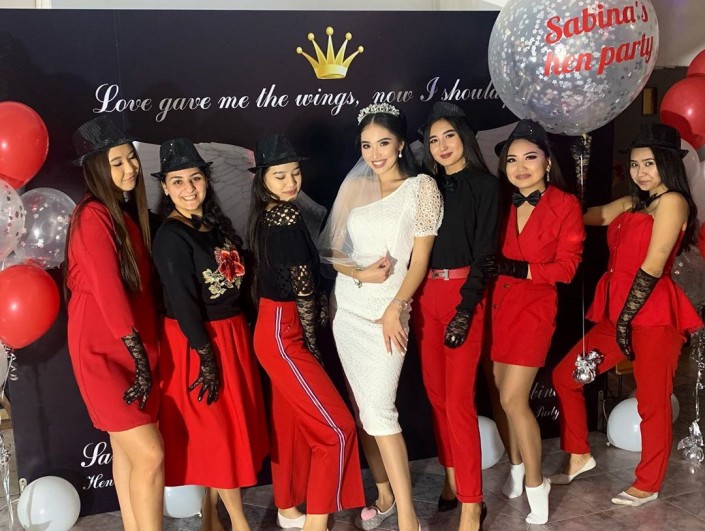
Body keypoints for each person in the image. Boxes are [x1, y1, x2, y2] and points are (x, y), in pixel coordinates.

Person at [551, 123, 703, 506]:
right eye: (635, 164)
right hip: (616, 314)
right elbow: (588, 216)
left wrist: (624, 322)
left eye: (649, 163)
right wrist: (555, 192)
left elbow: (653, 264)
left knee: (652, 402)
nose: (640, 172)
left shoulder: (673, 202)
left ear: (667, 163)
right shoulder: (631, 203)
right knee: (566, 376)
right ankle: (579, 454)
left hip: (653, 316)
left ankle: (648, 483)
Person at [319, 103, 443, 531]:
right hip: (349, 309)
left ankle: (409, 518)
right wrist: (359, 272)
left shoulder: (421, 188)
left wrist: (397, 307)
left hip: (389, 310)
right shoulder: (354, 187)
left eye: (383, 143)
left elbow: (420, 260)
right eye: (366, 145)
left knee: (380, 411)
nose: (375, 154)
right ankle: (385, 495)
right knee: (363, 411)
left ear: (401, 144)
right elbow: (332, 252)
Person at [151, 138, 269, 531]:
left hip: (230, 336)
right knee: (219, 436)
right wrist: (205, 357)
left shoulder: (213, 225)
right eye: (178, 181)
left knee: (229, 431)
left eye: (195, 178)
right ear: (165, 187)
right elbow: (182, 302)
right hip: (197, 342)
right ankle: (240, 524)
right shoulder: (171, 235)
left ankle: (212, 519)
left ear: (206, 180)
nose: (188, 189)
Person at [249, 134, 365, 531]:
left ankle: (288, 510)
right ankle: (316, 523)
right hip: (285, 332)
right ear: (263, 178)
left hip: (274, 329)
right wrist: (313, 345)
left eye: (295, 173)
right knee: (338, 428)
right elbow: (303, 289)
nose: (290, 182)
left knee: (291, 426)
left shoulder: (267, 214)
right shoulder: (284, 216)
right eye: (280, 175)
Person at [483, 119, 585, 525]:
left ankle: (536, 483)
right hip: (498, 308)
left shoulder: (565, 204)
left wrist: (521, 269)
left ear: (547, 162)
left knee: (513, 398)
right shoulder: (501, 202)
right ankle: (516, 466)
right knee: (499, 393)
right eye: (512, 160)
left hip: (535, 310)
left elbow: (567, 268)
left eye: (529, 157)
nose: (520, 167)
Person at [65, 116, 163, 531]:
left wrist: (144, 354)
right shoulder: (92, 216)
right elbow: (108, 292)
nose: (129, 169)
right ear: (96, 169)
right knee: (150, 455)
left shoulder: (122, 213)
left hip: (136, 344)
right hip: (105, 351)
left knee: (127, 452)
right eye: (117, 163)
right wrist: (138, 358)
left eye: (130, 159)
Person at [410, 102, 497, 530]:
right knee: (437, 397)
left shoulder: (485, 185)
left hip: (464, 295)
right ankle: (451, 480)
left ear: (464, 136)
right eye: (433, 140)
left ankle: (471, 504)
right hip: (426, 295)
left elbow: (486, 255)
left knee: (460, 402)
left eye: (449, 136)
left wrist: (466, 309)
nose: (442, 146)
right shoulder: (424, 187)